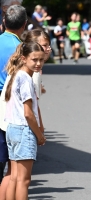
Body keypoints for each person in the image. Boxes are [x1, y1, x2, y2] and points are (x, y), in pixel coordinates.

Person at [4, 41, 46, 200]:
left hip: (12, 128)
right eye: (34, 59)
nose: (38, 63)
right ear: (23, 58)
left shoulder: (16, 74)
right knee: (24, 180)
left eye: (41, 59)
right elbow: (28, 114)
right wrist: (40, 135)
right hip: (24, 130)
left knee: (14, 177)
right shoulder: (26, 80)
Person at [0, 5, 26, 198]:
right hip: (10, 104)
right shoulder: (22, 49)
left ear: (3, 22)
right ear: (24, 25)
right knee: (12, 159)